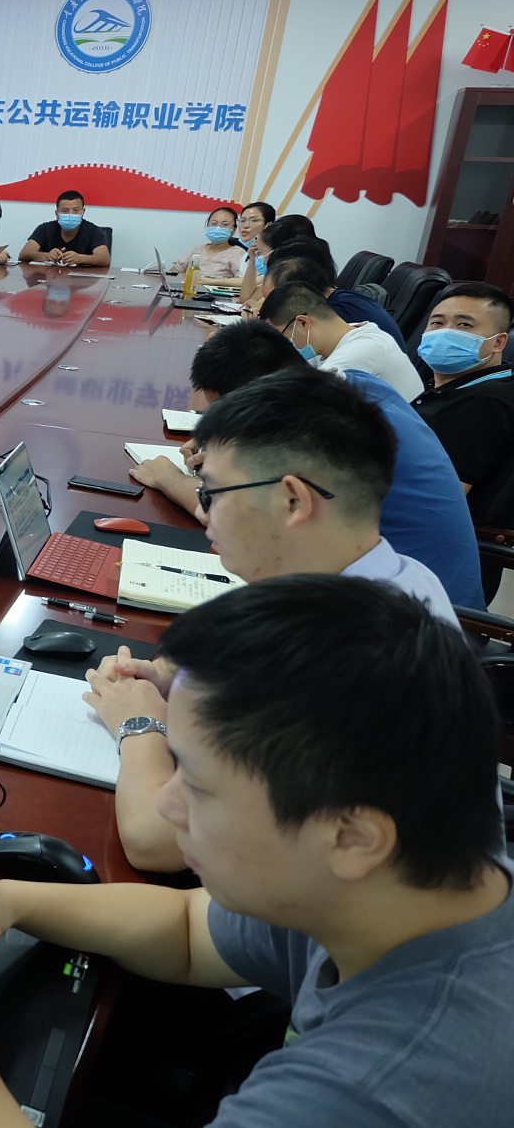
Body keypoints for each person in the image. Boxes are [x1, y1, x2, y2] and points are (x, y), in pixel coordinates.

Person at [0, 574, 513, 1128]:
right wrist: (10, 900)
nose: (166, 802)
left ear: (352, 837)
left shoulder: (369, 1095)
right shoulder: (393, 892)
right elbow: (187, 931)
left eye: (200, 787)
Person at [95, 366, 459, 871]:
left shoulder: (345, 655)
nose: (205, 514)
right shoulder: (393, 574)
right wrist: (167, 677)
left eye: (212, 494)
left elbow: (154, 841)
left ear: (292, 500)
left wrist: (137, 724)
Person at [131, 318, 483, 609]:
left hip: (401, 614)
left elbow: (243, 519)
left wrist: (170, 479)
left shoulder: (325, 435)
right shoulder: (350, 389)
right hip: (398, 586)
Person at [413, 281, 514, 523]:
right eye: (437, 323)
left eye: (464, 325)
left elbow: (434, 503)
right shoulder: (469, 384)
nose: (445, 332)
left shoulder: (481, 403)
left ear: (498, 342)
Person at [260, 280, 423, 401]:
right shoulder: (339, 337)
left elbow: (305, 402)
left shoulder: (361, 350)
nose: (284, 344)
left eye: (281, 336)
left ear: (303, 323)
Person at [261, 241, 407, 349]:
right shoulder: (338, 299)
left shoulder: (339, 313)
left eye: (272, 301)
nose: (268, 308)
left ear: (298, 292)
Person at [19, 190, 111, 267]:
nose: (71, 214)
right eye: (65, 211)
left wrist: (80, 258)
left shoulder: (94, 231)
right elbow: (24, 254)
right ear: (57, 213)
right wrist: (47, 256)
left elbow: (104, 259)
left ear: (83, 211)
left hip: (82, 280)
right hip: (51, 278)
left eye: (76, 210)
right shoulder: (45, 229)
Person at [240, 212, 309, 310]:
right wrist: (252, 259)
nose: (262, 260)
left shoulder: (296, 283)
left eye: (260, 252)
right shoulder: (275, 278)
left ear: (277, 251)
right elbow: (245, 299)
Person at [154, 206, 245, 280]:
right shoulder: (198, 249)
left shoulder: (238, 253)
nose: (218, 228)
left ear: (234, 229)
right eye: (214, 224)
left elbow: (242, 280)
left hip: (216, 295)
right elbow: (175, 271)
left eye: (225, 224)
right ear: (208, 226)